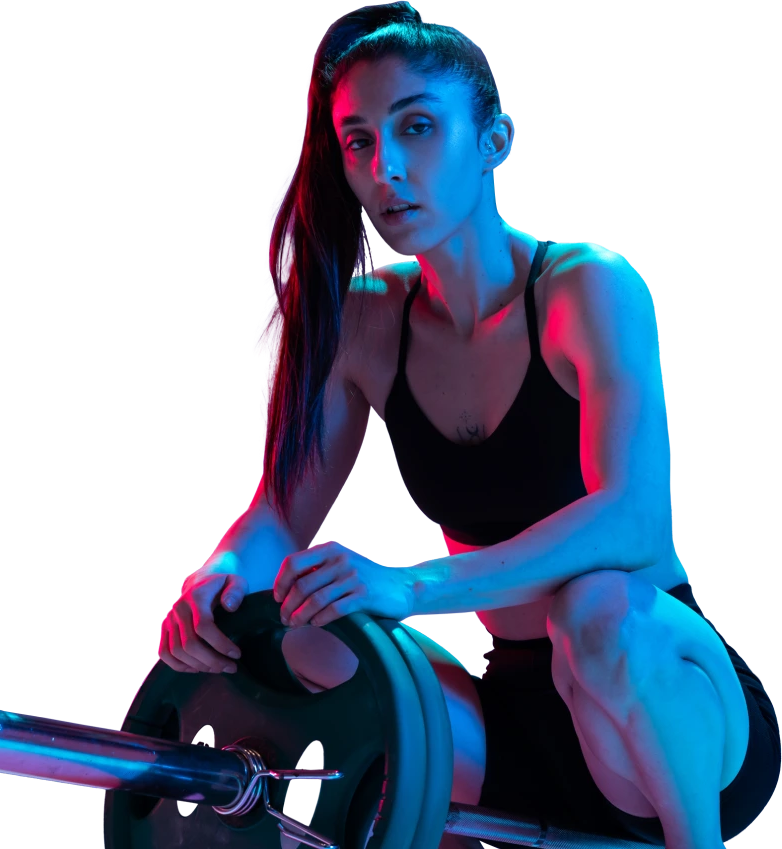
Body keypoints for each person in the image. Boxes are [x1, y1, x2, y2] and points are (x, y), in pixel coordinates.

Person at [158, 4, 781, 847]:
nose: (385, 168)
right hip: (510, 724)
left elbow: (633, 519)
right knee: (308, 629)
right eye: (357, 141)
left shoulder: (586, 286)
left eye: (416, 127)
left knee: (593, 609)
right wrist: (219, 577)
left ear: (495, 140)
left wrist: (411, 585)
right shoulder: (365, 323)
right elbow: (279, 512)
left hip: (659, 704)